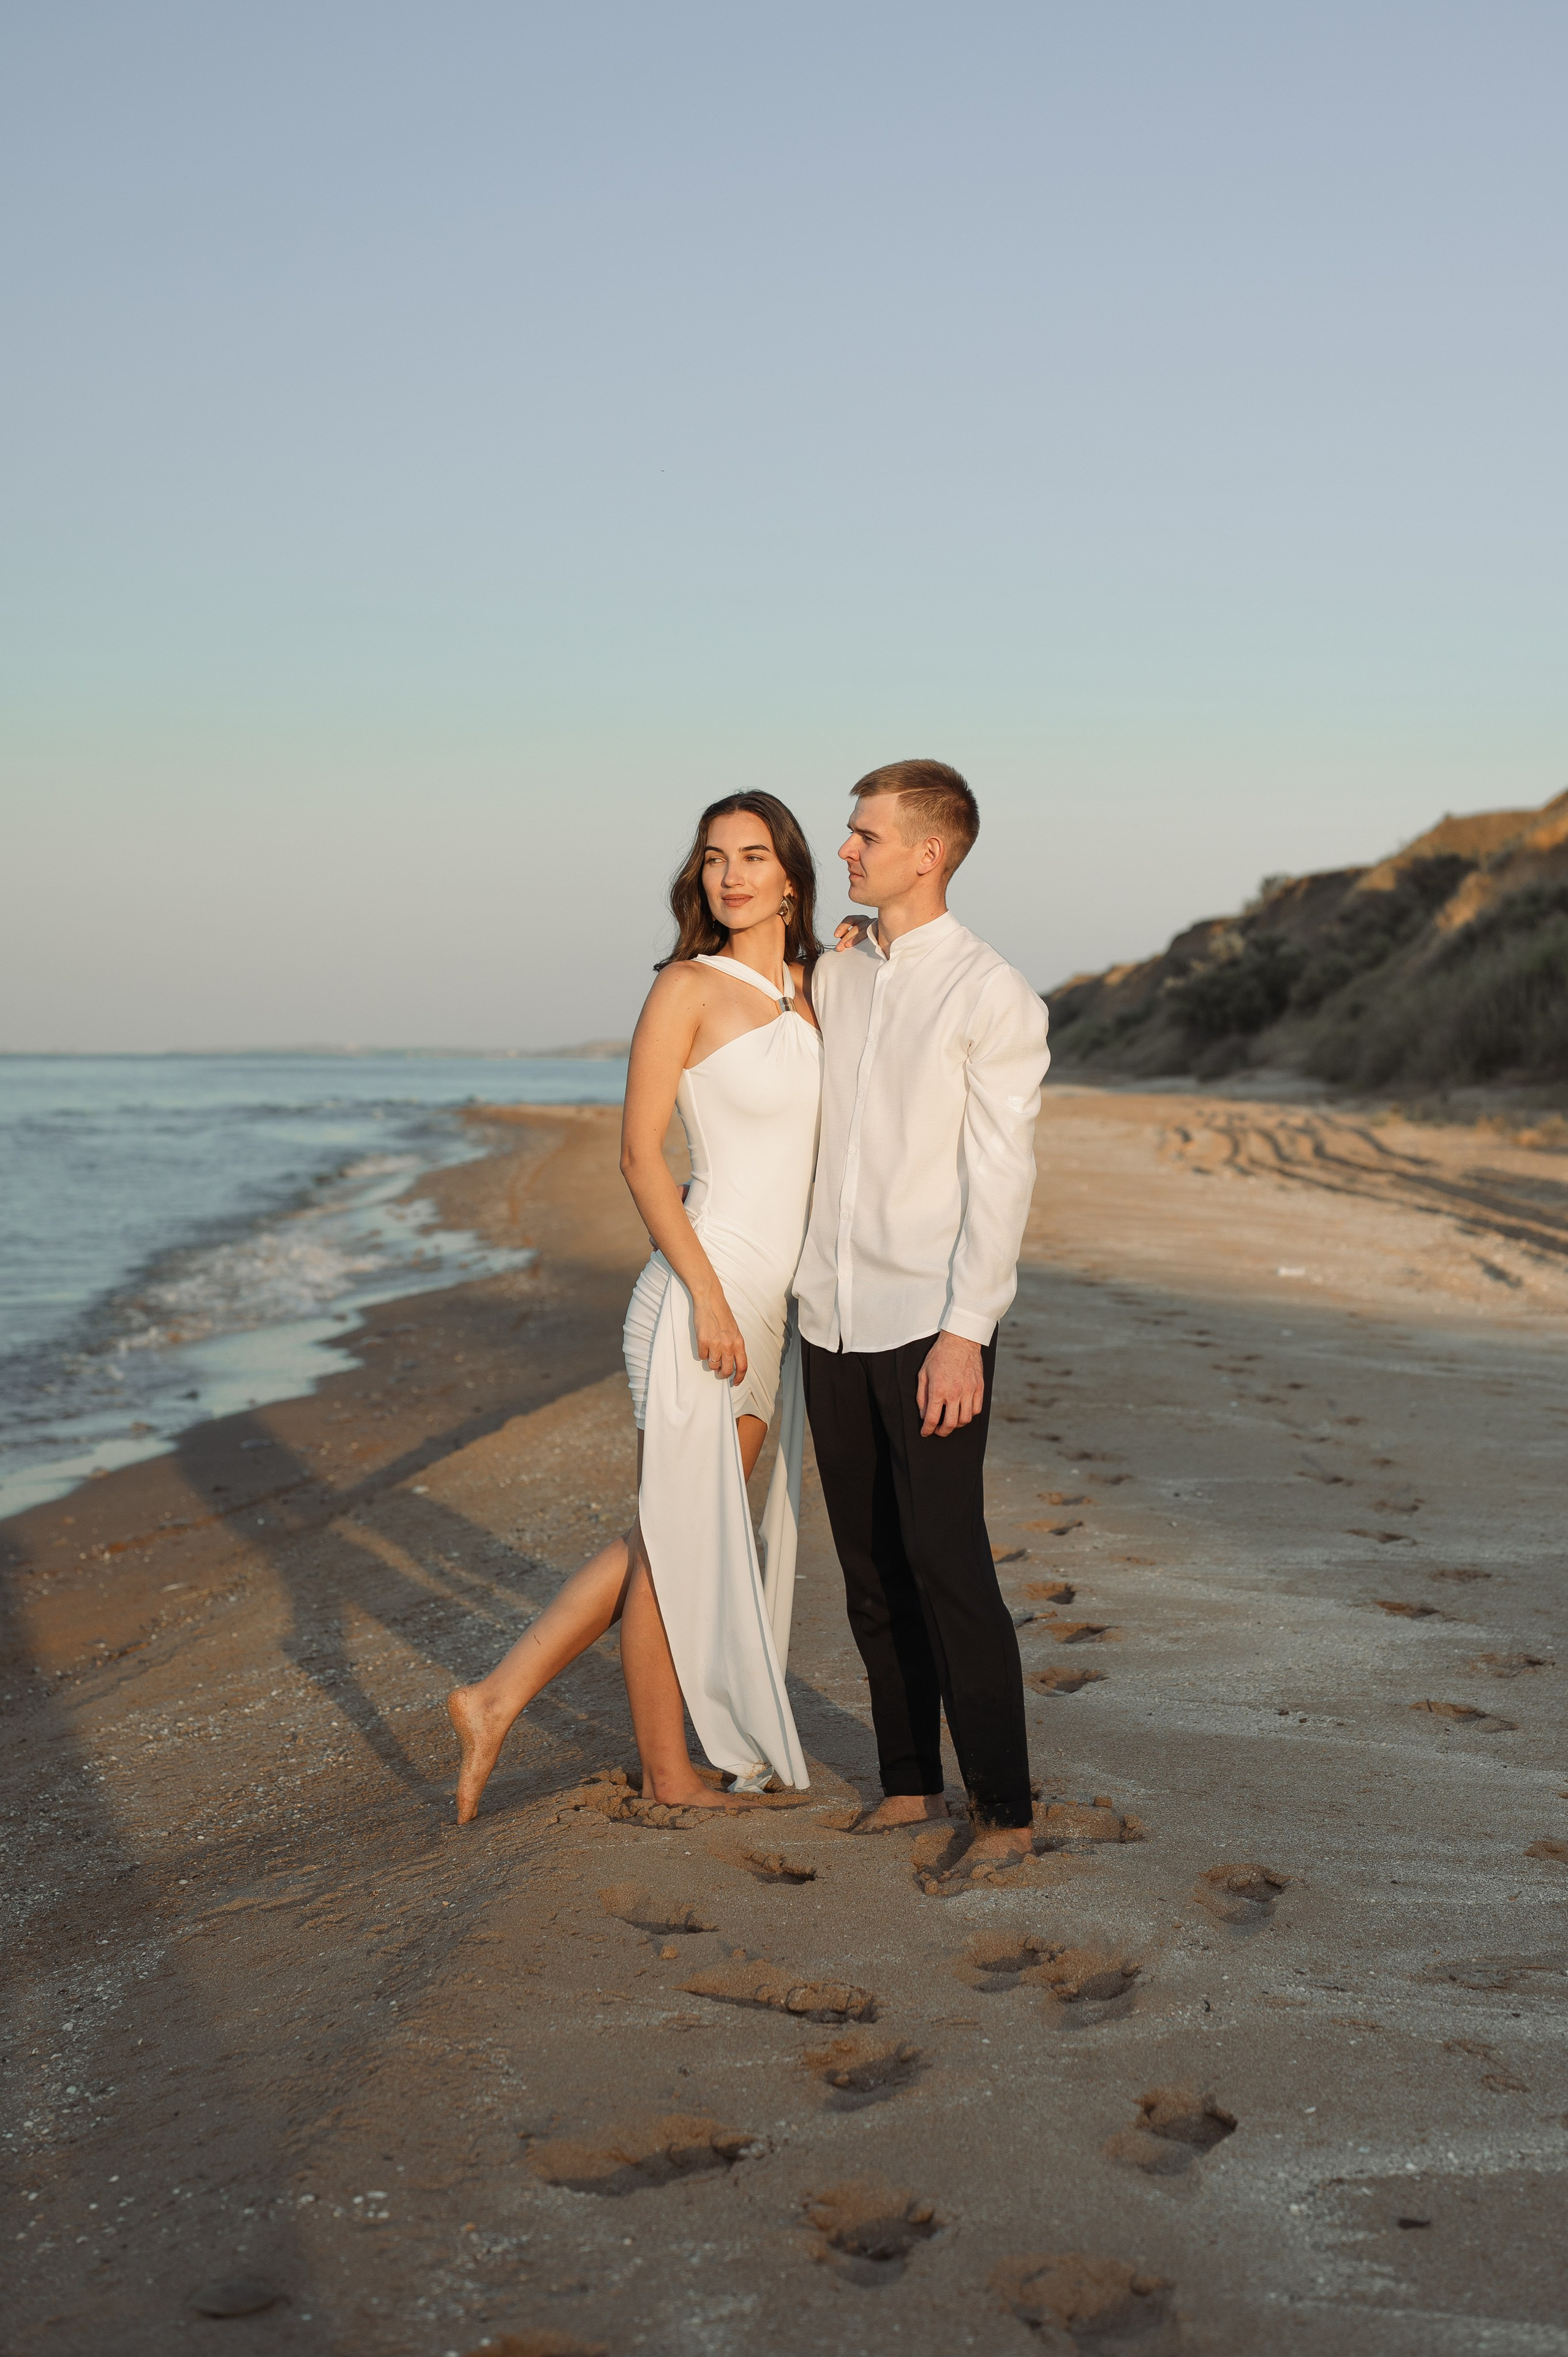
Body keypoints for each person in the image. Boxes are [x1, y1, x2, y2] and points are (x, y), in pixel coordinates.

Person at [448, 793, 822, 1822]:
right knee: (674, 1536)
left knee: (674, 1537)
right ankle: (648, 1766)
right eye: (714, 859)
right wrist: (704, 1293)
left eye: (753, 857)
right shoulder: (686, 988)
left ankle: (500, 1699)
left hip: (769, 1307)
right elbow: (637, 1155)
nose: (732, 876)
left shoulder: (819, 987)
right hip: (698, 1294)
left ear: (792, 873)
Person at [796, 758, 1051, 1886]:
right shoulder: (840, 971)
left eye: (863, 835)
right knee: (866, 1566)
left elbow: (1003, 1178)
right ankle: (909, 1781)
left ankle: (1005, 1810)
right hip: (829, 1316)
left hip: (928, 1323)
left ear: (928, 851)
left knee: (949, 1566)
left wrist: (968, 1330)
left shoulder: (993, 994)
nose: (844, 851)